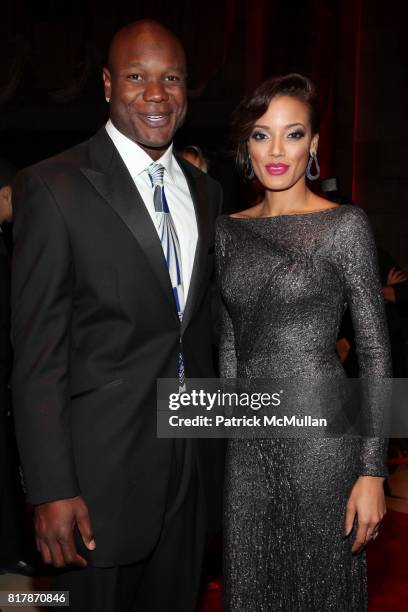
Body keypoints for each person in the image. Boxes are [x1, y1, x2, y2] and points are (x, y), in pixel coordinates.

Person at [11, 20, 222, 612]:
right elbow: (37, 356)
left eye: (171, 79)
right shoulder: (53, 186)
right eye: (136, 76)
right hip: (95, 479)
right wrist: (52, 489)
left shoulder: (207, 193)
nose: (156, 94)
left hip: (190, 467)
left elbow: (196, 333)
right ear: (107, 84)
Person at [215, 74, 391, 611]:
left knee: (322, 590)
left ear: (313, 144)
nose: (276, 150)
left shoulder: (344, 226)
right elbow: (229, 344)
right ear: (246, 144)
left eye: (293, 135)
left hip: (324, 443)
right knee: (250, 588)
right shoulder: (226, 231)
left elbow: (377, 352)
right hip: (247, 450)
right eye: (262, 135)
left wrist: (372, 469)